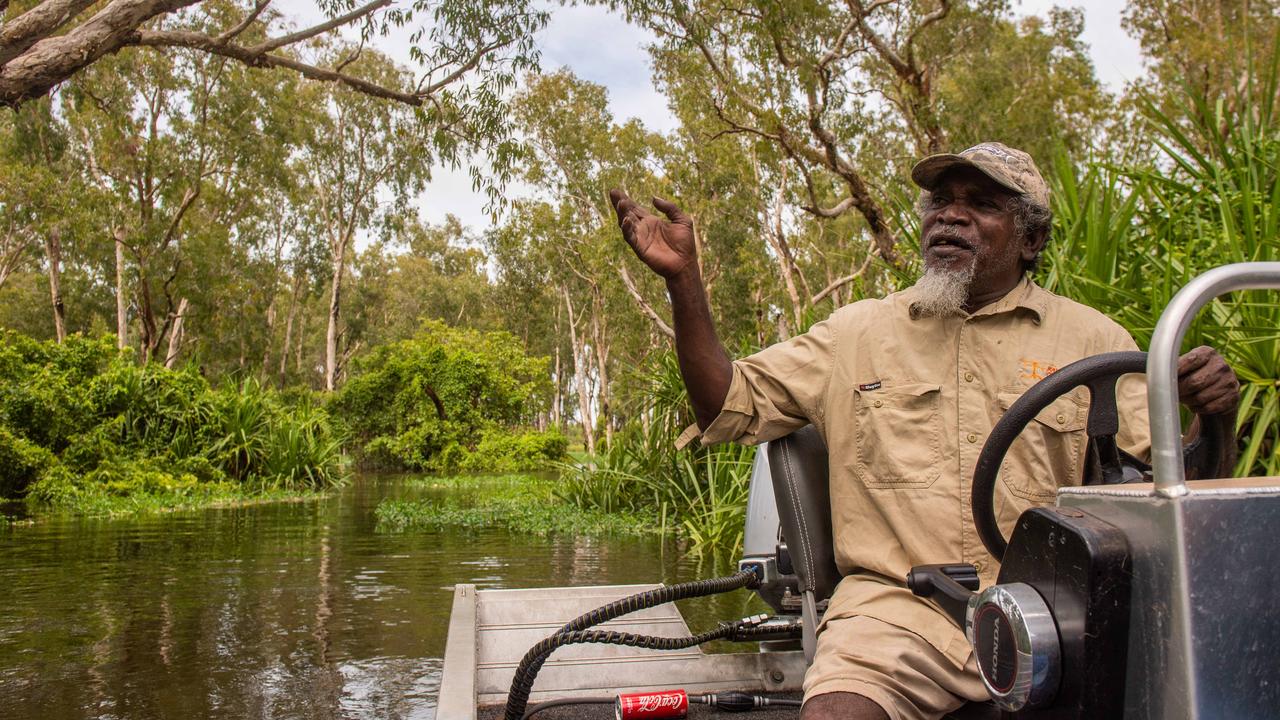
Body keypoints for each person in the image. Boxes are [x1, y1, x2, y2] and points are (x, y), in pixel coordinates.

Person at [608, 142, 1239, 720]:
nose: (950, 216)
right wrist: (684, 283)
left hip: (1057, 613)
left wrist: (1214, 414)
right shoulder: (855, 333)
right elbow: (726, 404)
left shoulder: (1095, 341)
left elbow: (1174, 500)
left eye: (982, 205)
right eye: (941, 202)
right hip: (892, 617)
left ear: (1031, 239)